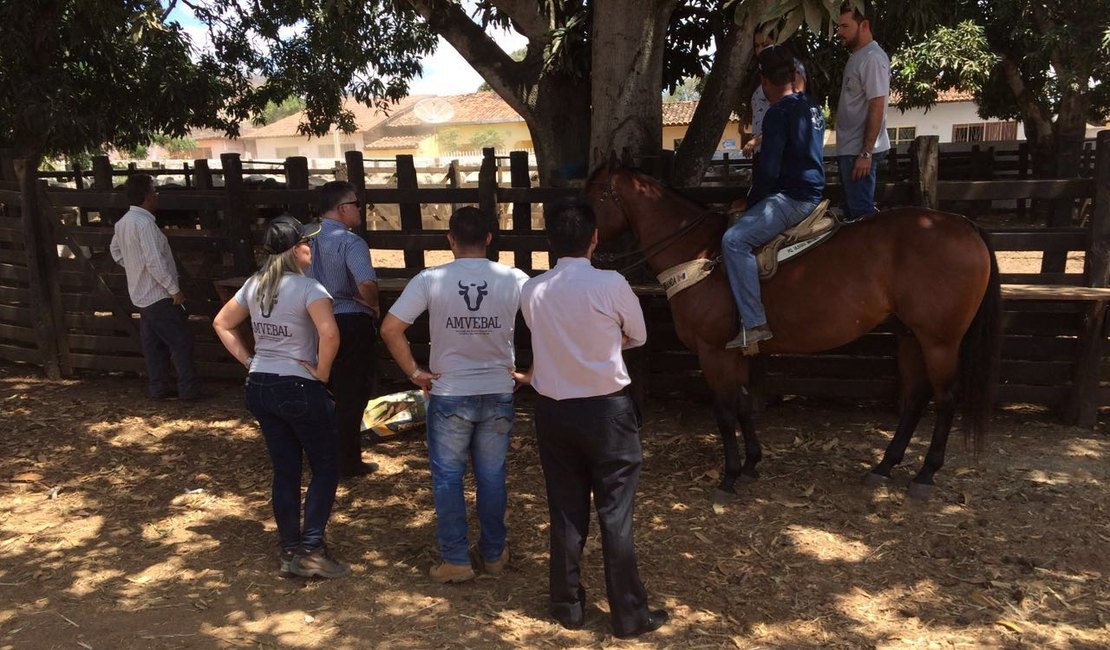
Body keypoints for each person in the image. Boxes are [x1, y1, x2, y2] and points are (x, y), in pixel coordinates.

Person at [517, 202, 667, 639]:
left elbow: (541, 335)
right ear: (595, 238)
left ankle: (567, 604)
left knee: (565, 510)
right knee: (615, 514)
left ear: (550, 243)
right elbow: (637, 335)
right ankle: (629, 614)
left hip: (554, 411)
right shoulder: (612, 283)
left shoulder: (533, 289)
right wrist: (605, 341)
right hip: (607, 412)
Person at [379, 207, 528, 584]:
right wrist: (532, 373)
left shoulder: (430, 279)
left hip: (449, 393)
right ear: (490, 239)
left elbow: (391, 329)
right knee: (492, 477)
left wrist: (415, 373)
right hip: (497, 390)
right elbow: (551, 322)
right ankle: (494, 554)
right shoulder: (514, 279)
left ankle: (456, 559)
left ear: (450, 239)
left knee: (448, 478)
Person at [212, 215, 350, 579]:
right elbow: (330, 334)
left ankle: (290, 546)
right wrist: (321, 372)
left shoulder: (254, 285)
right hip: (299, 385)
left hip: (261, 385)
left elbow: (222, 323)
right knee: (325, 467)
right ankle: (312, 548)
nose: (312, 248)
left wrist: (250, 360)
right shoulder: (310, 290)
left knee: (285, 469)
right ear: (295, 250)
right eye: (308, 243)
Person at [722, 45, 826, 349]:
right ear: (794, 76)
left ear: (764, 82)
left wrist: (751, 202)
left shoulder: (777, 113)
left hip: (792, 198)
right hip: (812, 191)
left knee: (734, 241)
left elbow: (767, 172)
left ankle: (754, 324)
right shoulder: (812, 105)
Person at [309, 181, 381, 479]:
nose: (361, 209)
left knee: (321, 388)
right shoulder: (351, 242)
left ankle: (319, 455)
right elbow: (365, 282)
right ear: (342, 208)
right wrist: (374, 305)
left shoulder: (304, 238)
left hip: (314, 319)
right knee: (352, 393)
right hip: (349, 319)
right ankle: (347, 461)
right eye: (356, 204)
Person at [109, 174, 201, 401]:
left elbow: (116, 251)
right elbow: (154, 261)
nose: (156, 196)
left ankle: (159, 388)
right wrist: (173, 289)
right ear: (149, 197)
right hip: (159, 294)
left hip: (140, 295)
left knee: (153, 345)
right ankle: (188, 392)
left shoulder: (123, 223)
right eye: (154, 193)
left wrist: (133, 266)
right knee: (180, 342)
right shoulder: (145, 224)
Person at [835, 0, 890, 219]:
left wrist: (866, 153)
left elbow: (878, 105)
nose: (839, 32)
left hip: (859, 152)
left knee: (862, 218)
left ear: (864, 25)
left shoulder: (872, 58)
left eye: (845, 26)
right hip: (851, 149)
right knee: (853, 216)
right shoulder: (858, 57)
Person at [742, 30, 808, 160]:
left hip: (781, 150)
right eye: (757, 46)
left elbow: (794, 111)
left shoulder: (792, 68)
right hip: (762, 150)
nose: (760, 49)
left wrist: (759, 139)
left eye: (765, 44)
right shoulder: (761, 72)